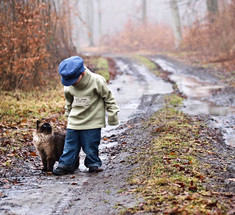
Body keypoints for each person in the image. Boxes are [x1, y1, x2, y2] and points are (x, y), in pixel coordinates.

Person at [53, 56, 119, 175]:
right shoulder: (68, 85)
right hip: (74, 121)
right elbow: (69, 101)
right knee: (70, 145)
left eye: (74, 80)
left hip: (92, 121)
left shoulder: (97, 81)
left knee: (90, 145)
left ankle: (93, 163)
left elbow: (109, 98)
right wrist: (68, 114)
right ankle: (65, 165)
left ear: (82, 73)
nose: (71, 83)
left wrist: (112, 114)